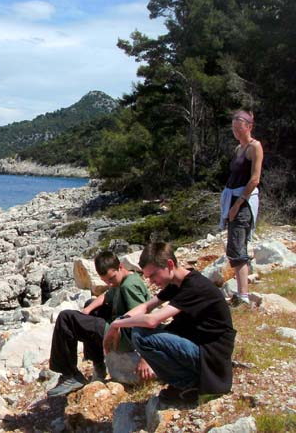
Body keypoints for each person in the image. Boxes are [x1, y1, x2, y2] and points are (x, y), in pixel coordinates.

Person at [105, 243, 235, 404]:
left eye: (153, 275)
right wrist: (120, 321)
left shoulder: (194, 286)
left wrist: (116, 325)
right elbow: (146, 306)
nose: (151, 282)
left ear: (169, 265)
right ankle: (186, 381)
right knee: (139, 331)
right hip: (199, 345)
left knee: (141, 334)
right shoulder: (177, 283)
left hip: (211, 355)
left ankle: (188, 384)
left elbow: (152, 320)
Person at [47, 250, 154, 397]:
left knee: (66, 318)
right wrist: (88, 309)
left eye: (111, 278)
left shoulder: (128, 286)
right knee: (91, 304)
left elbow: (142, 315)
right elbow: (107, 295)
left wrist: (145, 355)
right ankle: (98, 365)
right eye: (105, 281)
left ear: (120, 266)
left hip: (123, 337)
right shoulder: (122, 279)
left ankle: (70, 374)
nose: (110, 283)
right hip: (118, 326)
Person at [220, 109, 263, 306]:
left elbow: (255, 179)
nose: (236, 131)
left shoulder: (255, 147)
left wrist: (237, 204)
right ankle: (241, 293)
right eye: (234, 128)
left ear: (249, 127)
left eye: (239, 128)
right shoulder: (239, 149)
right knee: (234, 247)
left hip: (243, 201)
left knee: (237, 248)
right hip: (233, 198)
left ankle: (243, 296)